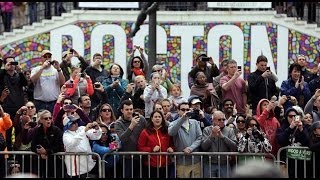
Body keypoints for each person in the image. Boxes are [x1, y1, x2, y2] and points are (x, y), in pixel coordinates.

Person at [168, 101, 202, 178]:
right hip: (181, 162)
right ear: (178, 111)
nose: (185, 112)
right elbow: (171, 133)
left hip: (195, 161)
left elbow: (200, 138)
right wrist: (182, 119)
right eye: (183, 110)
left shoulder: (195, 122)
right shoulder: (173, 123)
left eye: (187, 110)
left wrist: (190, 148)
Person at [0, 56, 28, 150]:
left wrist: (20, 71)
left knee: (18, 131)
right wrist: (5, 68)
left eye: (13, 63)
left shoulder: (18, 75)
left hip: (18, 108)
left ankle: (17, 154)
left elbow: (25, 83)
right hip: (6, 108)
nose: (12, 65)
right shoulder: (2, 75)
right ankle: (8, 154)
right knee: (7, 132)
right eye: (9, 63)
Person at [114, 100, 146, 178]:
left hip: (141, 155)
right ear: (122, 110)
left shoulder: (141, 119)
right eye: (127, 109)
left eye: (131, 109)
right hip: (127, 158)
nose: (129, 111)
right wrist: (131, 126)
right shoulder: (118, 123)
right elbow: (123, 138)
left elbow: (148, 132)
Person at [137, 110, 174, 178]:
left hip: (165, 165)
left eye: (159, 117)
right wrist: (151, 149)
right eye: (155, 117)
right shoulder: (145, 132)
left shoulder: (167, 131)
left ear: (162, 119)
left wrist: (171, 148)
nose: (157, 118)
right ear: (151, 119)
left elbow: (172, 144)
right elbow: (140, 147)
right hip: (150, 166)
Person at [201, 110, 237, 178]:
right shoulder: (207, 130)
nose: (222, 121)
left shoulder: (229, 130)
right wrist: (211, 136)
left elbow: (234, 146)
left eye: (223, 119)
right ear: (213, 120)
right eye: (219, 119)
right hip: (209, 164)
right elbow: (203, 147)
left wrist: (223, 137)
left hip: (224, 164)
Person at [276, 108, 310, 178]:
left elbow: (308, 141)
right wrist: (290, 128)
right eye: (290, 116)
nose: (293, 118)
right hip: (287, 162)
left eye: (295, 116)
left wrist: (301, 129)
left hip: (301, 161)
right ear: (286, 117)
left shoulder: (303, 127)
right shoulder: (282, 128)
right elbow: (281, 140)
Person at [30, 110, 64, 178]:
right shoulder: (37, 130)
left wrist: (46, 151)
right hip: (41, 162)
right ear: (41, 120)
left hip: (55, 162)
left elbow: (59, 146)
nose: (48, 120)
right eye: (46, 118)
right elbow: (33, 146)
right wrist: (39, 152)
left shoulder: (56, 130)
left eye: (50, 118)